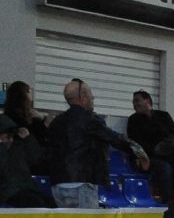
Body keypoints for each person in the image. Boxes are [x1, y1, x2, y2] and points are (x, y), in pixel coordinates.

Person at [47, 78, 146, 207]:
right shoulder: (89, 119)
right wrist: (139, 151)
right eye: (91, 95)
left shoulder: (56, 122)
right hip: (81, 183)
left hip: (57, 184)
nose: (93, 98)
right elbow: (113, 138)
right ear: (83, 98)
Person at [0, 115, 54, 207]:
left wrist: (28, 138)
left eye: (12, 135)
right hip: (6, 193)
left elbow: (36, 158)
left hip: (27, 188)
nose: (11, 139)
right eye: (8, 136)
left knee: (53, 204)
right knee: (36, 203)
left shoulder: (17, 147)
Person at [127, 90, 174, 201]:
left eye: (137, 101)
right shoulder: (134, 120)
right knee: (165, 168)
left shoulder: (164, 116)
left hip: (169, 154)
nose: (134, 104)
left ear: (147, 100)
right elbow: (135, 144)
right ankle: (167, 203)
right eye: (133, 102)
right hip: (149, 157)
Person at [1, 81, 52, 169]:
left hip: (13, 161)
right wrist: (44, 122)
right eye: (28, 91)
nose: (31, 94)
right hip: (31, 161)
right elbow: (39, 137)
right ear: (23, 96)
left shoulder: (7, 115)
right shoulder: (28, 118)